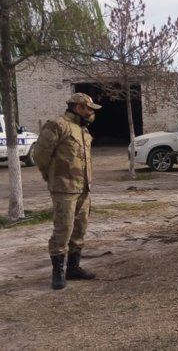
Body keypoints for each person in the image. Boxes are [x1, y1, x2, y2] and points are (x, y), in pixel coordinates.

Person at [33, 93, 102, 290]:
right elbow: (40, 155)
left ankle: (73, 268)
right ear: (79, 107)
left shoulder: (82, 130)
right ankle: (58, 272)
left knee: (80, 229)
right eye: (89, 109)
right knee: (63, 229)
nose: (91, 113)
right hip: (64, 188)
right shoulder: (57, 125)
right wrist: (51, 176)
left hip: (84, 188)